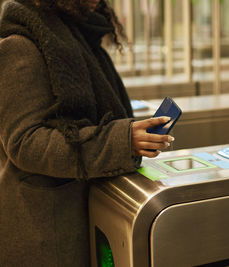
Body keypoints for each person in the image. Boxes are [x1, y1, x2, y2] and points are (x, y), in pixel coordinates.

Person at [0, 0, 173, 266]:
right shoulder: (20, 44)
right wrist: (120, 141)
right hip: (48, 228)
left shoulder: (78, 36)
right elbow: (26, 142)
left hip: (86, 209)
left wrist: (128, 136)